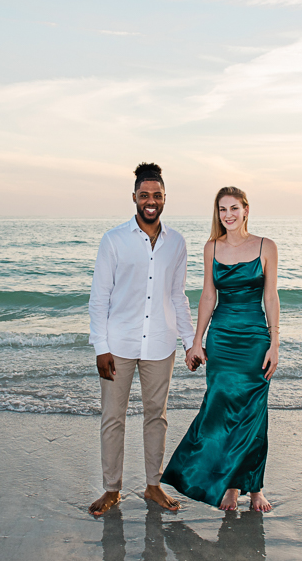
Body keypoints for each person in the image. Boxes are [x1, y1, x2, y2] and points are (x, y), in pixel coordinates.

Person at [88, 163, 196, 517]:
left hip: (160, 344)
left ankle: (153, 486)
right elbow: (99, 297)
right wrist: (101, 346)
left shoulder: (176, 242)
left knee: (157, 417)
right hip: (118, 344)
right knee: (113, 418)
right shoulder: (113, 240)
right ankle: (111, 489)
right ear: (134, 197)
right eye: (145, 195)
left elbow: (178, 297)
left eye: (157, 196)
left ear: (165, 199)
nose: (151, 201)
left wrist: (190, 341)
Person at [161, 186, 279, 512]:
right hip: (222, 340)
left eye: (233, 208)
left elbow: (270, 298)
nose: (228, 215)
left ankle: (254, 489)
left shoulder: (266, 246)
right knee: (219, 411)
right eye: (222, 210)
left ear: (246, 209)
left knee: (253, 415)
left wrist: (275, 342)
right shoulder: (211, 248)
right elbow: (208, 296)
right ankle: (228, 484)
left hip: (255, 341)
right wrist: (197, 340)